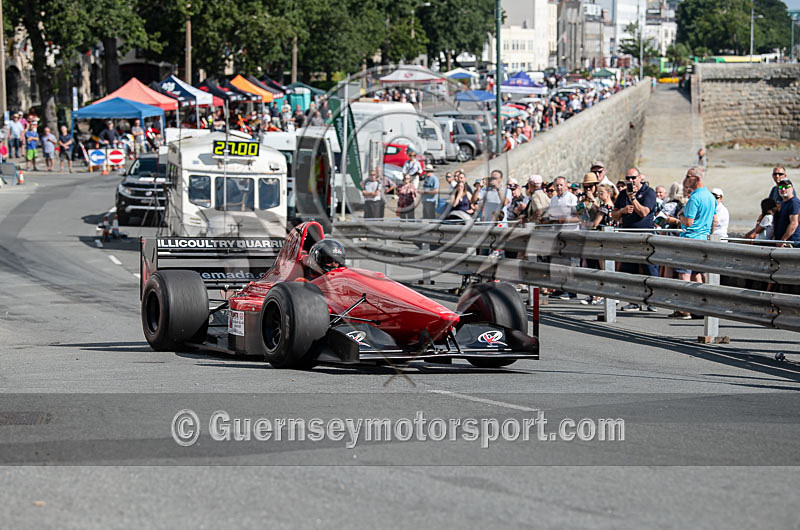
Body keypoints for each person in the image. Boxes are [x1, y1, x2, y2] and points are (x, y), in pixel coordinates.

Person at [669, 167, 716, 319]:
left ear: (696, 179)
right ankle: (700, 308)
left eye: (688, 176)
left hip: (690, 239)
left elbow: (688, 222)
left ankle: (685, 308)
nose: (685, 179)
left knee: (684, 275)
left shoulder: (695, 198)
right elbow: (714, 221)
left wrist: (679, 216)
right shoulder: (710, 197)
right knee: (697, 275)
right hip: (703, 239)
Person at [611, 167, 658, 312]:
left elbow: (644, 212)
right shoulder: (622, 194)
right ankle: (634, 301)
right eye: (628, 178)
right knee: (630, 269)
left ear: (640, 178)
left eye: (633, 178)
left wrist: (633, 198)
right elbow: (613, 214)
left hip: (645, 236)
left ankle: (652, 300)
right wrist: (622, 211)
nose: (631, 181)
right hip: (628, 236)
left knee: (649, 269)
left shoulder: (649, 192)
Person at [773, 178, 800, 247]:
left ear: (792, 188)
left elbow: (794, 223)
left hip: (791, 242)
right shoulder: (782, 203)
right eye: (780, 187)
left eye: (786, 187)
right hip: (780, 241)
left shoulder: (794, 202)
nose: (783, 189)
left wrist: (783, 240)